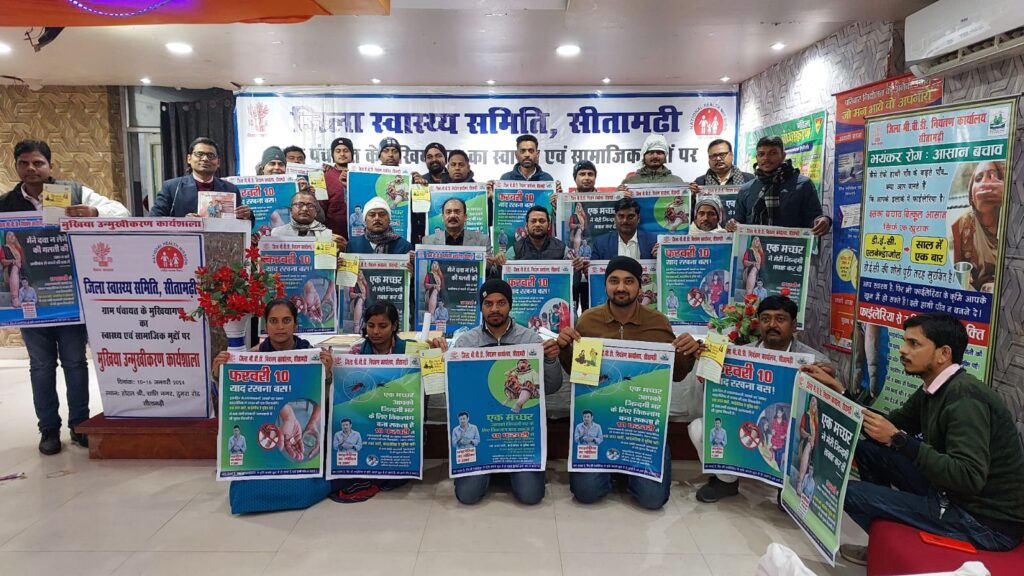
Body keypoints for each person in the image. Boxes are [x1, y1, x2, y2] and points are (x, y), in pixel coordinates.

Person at [820, 312, 1024, 564]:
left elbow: (968, 476)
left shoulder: (965, 398)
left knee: (848, 493)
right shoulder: (934, 387)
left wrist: (899, 440)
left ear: (943, 353)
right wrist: (839, 391)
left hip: (984, 521)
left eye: (914, 344)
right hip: (950, 492)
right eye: (904, 341)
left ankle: (888, 546)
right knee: (868, 450)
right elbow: (889, 423)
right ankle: (882, 544)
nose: (903, 350)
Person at [2, 139, 130, 454]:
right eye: (24, 163)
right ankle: (48, 429)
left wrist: (93, 212)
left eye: (38, 163)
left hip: (68, 297)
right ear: (16, 166)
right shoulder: (5, 205)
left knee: (75, 363)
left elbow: (121, 212)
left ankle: (79, 425)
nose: (31, 169)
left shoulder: (71, 191)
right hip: (31, 302)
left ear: (49, 166)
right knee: (41, 366)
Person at [556, 256, 701, 510]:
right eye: (614, 281)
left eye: (628, 281)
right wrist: (564, 347)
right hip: (601, 420)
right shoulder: (589, 320)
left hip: (641, 427)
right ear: (605, 285)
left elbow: (676, 374)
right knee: (586, 493)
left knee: (652, 500)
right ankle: (614, 468)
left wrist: (688, 352)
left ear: (639, 287)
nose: (621, 287)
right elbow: (577, 372)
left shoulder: (658, 323)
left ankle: (626, 469)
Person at [430, 278, 564, 506]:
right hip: (482, 429)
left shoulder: (530, 340)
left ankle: (506, 470)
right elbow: (453, 390)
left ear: (510, 305)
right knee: (467, 496)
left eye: (501, 303)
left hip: (517, 433)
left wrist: (551, 360)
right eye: (488, 303)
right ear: (480, 307)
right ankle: (490, 468)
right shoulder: (466, 342)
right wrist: (438, 361)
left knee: (531, 496)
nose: (494, 309)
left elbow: (551, 387)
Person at [688, 295, 832, 503]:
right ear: (758, 323)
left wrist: (827, 384)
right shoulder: (740, 355)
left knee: (808, 444)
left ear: (793, 325)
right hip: (748, 424)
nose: (772, 325)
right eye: (766, 319)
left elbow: (824, 413)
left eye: (780, 319)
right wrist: (708, 370)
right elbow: (714, 400)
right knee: (699, 428)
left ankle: (788, 491)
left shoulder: (816, 362)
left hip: (790, 431)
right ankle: (726, 481)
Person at [727, 136, 830, 236]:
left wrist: (823, 221)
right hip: (754, 246)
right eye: (761, 154)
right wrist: (732, 225)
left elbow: (814, 218)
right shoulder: (746, 189)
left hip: (791, 246)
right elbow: (739, 223)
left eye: (773, 153)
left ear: (783, 156)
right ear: (757, 158)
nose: (766, 158)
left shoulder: (802, 185)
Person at [153, 137, 252, 220]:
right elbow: (154, 219)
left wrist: (247, 215)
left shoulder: (231, 189)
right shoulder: (172, 187)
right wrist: (183, 222)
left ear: (218, 163)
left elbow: (244, 225)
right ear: (189, 159)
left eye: (211, 155)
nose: (205, 159)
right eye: (199, 154)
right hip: (185, 238)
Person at [951, 160, 1004, 292]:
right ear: (971, 196)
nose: (985, 183)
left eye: (992, 176)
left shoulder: (1012, 220)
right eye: (979, 178)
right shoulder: (961, 225)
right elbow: (958, 271)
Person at [271, 190, 346, 253]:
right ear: (291, 210)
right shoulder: (276, 234)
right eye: (299, 204)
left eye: (310, 206)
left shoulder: (327, 236)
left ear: (316, 212)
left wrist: (341, 252)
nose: (305, 209)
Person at [591, 197, 658, 260]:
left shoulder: (653, 241)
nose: (625, 221)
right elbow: (593, 267)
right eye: (621, 216)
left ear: (638, 218)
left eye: (630, 216)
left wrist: (660, 258)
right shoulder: (601, 243)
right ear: (615, 218)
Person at [345, 197, 413, 255]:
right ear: (365, 220)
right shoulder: (353, 245)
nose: (377, 218)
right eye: (372, 214)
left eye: (382, 214)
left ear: (389, 219)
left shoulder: (404, 247)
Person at [689, 139, 754, 195]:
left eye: (722, 154)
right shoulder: (700, 183)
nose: (718, 159)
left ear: (731, 155)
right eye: (714, 156)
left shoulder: (749, 180)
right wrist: (692, 196)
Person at [505, 206, 569, 260]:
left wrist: (575, 264)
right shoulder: (514, 250)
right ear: (527, 226)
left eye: (542, 221)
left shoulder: (562, 249)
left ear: (549, 225)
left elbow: (572, 267)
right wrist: (499, 263)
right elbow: (503, 269)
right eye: (533, 221)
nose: (537, 224)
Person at [620, 134, 685, 187]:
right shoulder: (629, 183)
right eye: (651, 153)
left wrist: (690, 194)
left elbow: (683, 199)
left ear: (665, 156)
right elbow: (619, 199)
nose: (655, 156)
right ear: (643, 156)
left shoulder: (676, 182)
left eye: (659, 153)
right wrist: (620, 195)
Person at [322, 137, 354, 236]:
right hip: (333, 233)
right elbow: (321, 208)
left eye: (346, 151)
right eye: (338, 151)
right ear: (333, 155)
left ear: (352, 154)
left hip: (359, 232)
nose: (342, 154)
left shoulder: (360, 174)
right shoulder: (324, 177)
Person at [769, 406, 788, 472]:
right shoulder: (774, 421)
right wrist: (772, 432)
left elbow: (787, 433)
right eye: (777, 413)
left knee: (778, 458)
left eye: (780, 413)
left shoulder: (785, 423)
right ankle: (775, 469)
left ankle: (778, 469)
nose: (778, 414)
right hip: (774, 441)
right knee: (774, 458)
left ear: (782, 413)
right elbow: (772, 431)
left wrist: (784, 436)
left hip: (781, 443)